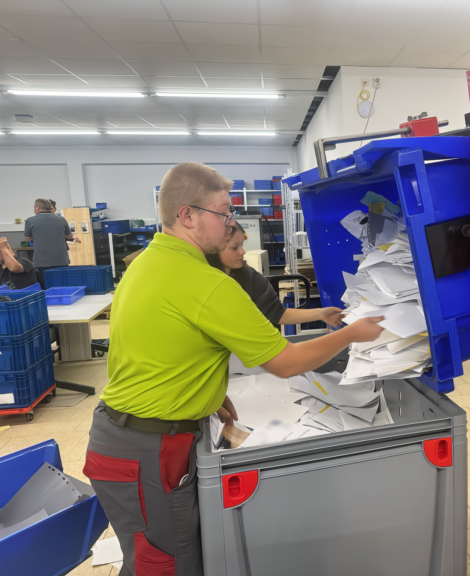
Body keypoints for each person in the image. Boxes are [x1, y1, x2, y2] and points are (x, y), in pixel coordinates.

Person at [83, 162, 384, 576]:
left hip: (119, 437)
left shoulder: (145, 263)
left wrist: (205, 391)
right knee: (166, 567)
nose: (231, 225)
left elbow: (151, 348)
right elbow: (286, 362)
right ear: (187, 215)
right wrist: (351, 335)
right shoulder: (206, 283)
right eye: (223, 212)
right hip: (149, 449)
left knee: (150, 558)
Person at [206, 222, 343, 328]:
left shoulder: (250, 278)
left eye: (242, 245)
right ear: (213, 249)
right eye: (235, 247)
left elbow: (278, 313)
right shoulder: (202, 281)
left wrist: (321, 313)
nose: (242, 252)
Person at [23, 198, 80, 288]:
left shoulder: (30, 221)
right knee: (62, 284)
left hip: (42, 261)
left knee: (46, 286)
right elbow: (69, 236)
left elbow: (27, 239)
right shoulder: (62, 219)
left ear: (37, 207)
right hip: (62, 259)